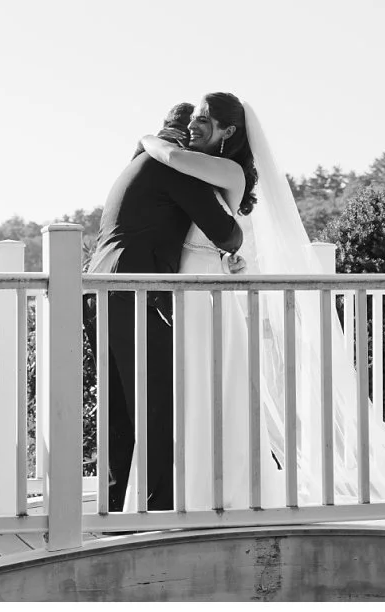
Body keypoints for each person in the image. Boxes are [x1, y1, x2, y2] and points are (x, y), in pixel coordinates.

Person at [137, 93, 385, 508]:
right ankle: (180, 490)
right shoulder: (202, 174)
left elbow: (168, 155)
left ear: (229, 131)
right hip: (191, 290)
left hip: (203, 297)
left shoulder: (225, 170)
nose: (194, 124)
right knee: (184, 391)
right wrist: (228, 259)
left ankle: (218, 491)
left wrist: (149, 138)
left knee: (203, 388)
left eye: (205, 119)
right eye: (195, 118)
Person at [84, 102, 247, 513]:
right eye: (190, 125)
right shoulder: (173, 168)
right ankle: (154, 510)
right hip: (134, 289)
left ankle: (117, 504)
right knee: (155, 404)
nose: (193, 131)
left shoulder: (138, 166)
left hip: (99, 284)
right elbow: (225, 231)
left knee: (120, 407)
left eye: (203, 122)